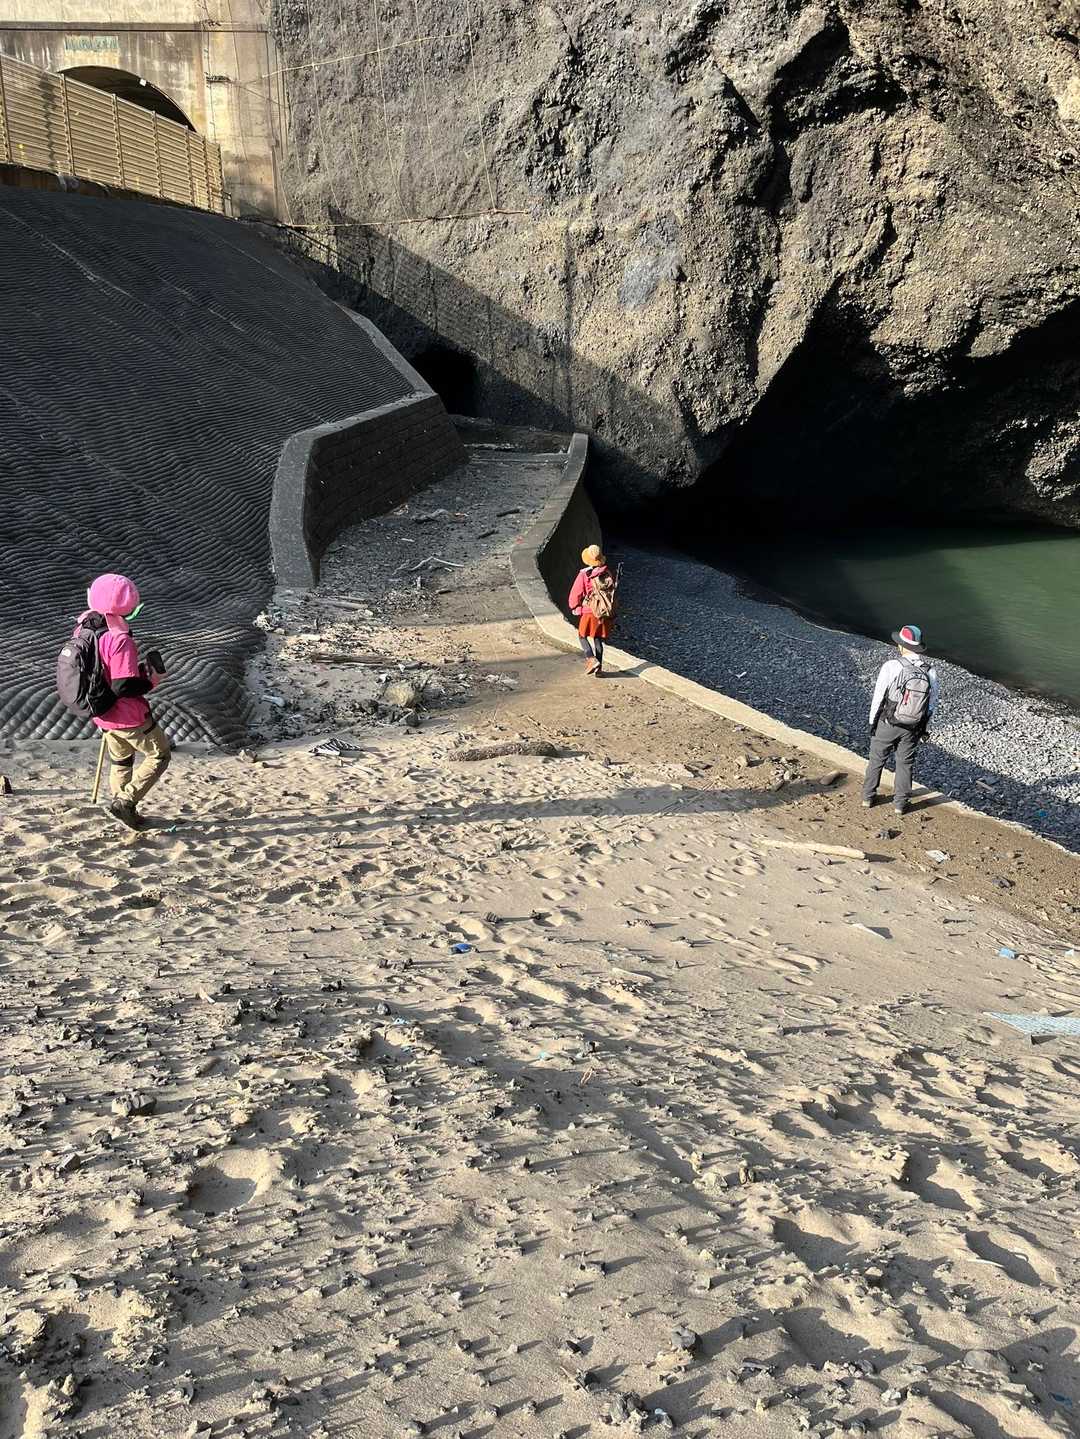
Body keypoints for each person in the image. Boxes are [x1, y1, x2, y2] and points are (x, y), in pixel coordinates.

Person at [82, 573, 171, 831]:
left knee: (121, 761)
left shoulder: (85, 628)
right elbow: (123, 686)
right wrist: (151, 681)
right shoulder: (119, 639)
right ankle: (125, 802)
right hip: (128, 715)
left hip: (101, 712)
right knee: (159, 755)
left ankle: (122, 808)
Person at [862, 623, 939, 816]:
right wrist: (922, 727)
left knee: (877, 759)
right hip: (913, 726)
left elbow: (878, 697)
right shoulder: (930, 671)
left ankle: (868, 797)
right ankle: (900, 804)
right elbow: (931, 705)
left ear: (902, 646)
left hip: (888, 722)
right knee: (905, 763)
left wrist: (873, 722)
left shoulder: (891, 666)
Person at [568, 544, 616, 677]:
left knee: (582, 635)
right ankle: (599, 670)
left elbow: (576, 593)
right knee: (598, 639)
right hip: (603, 612)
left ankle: (591, 659)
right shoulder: (607, 573)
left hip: (589, 611)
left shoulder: (585, 574)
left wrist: (574, 607)